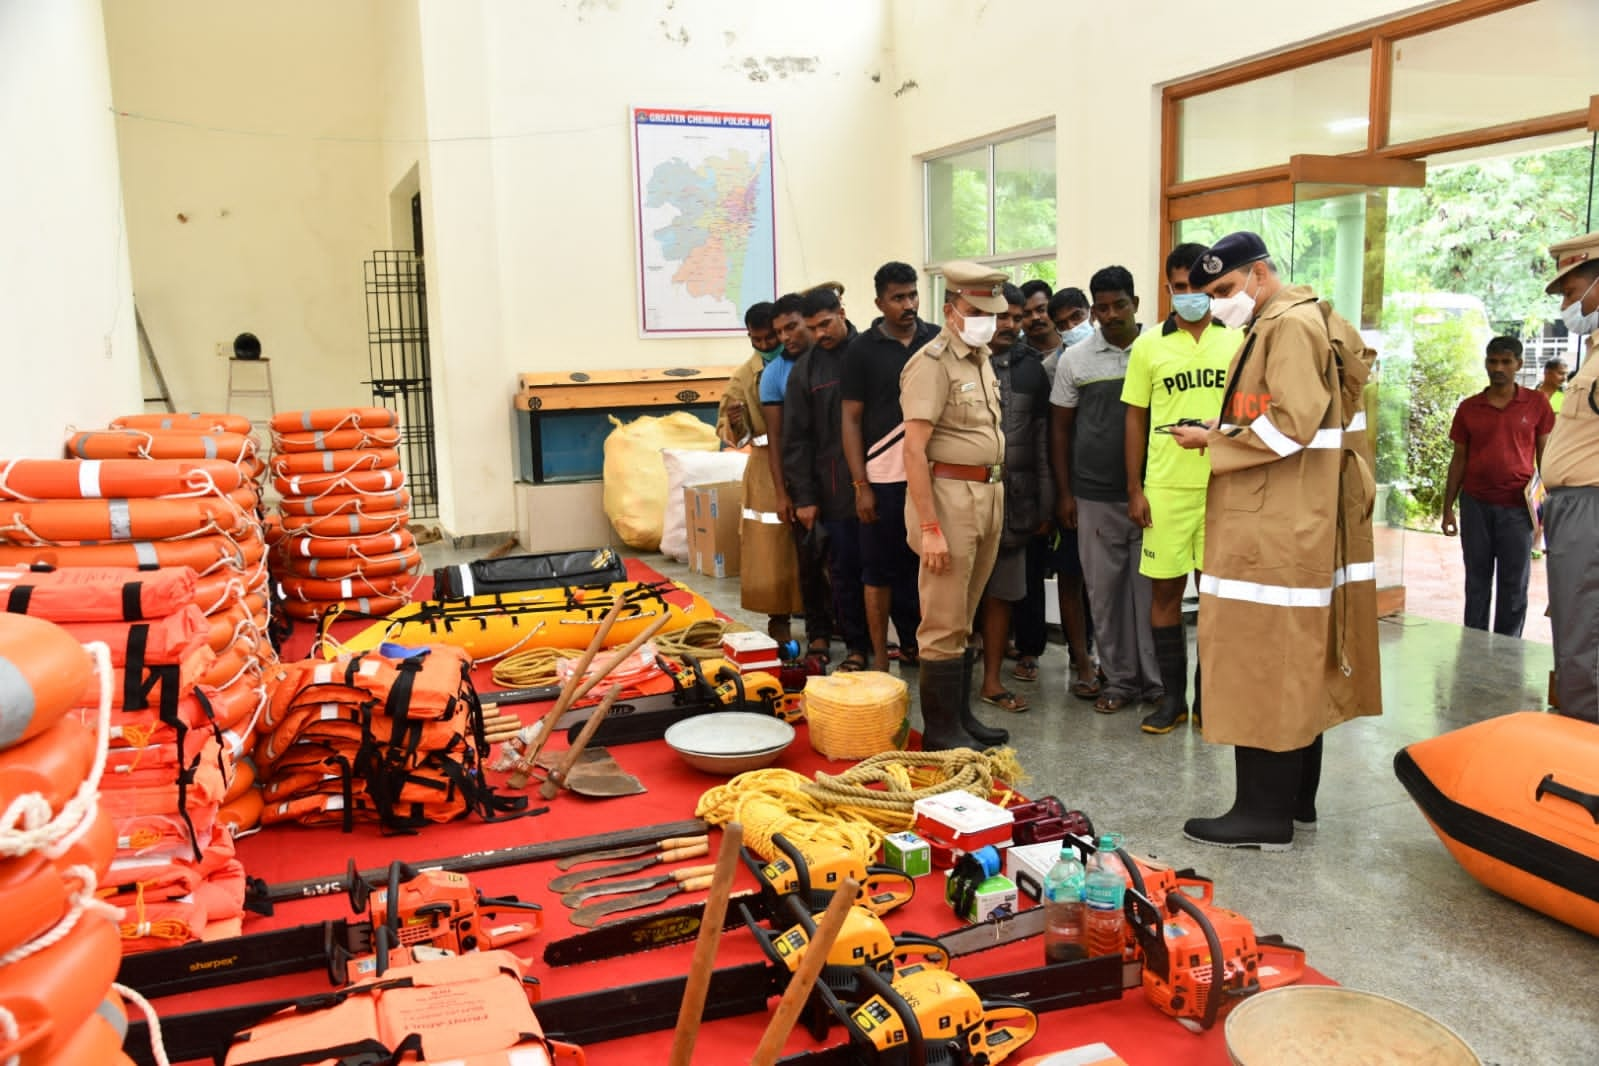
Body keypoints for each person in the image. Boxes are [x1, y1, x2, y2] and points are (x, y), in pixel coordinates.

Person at [1174, 230, 1381, 850]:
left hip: (1274, 524)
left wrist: (1213, 442)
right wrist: (1221, 424)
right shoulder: (1304, 318)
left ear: (1260, 275)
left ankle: (1261, 816)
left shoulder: (1286, 326)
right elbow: (1290, 413)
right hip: (1297, 518)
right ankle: (1295, 804)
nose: (1217, 303)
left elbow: (1290, 424)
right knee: (1296, 664)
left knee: (1262, 663)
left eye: (1225, 289)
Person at [1122, 243, 1243, 734]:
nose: (1190, 296)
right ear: (1168, 288)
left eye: (1199, 287)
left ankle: (1208, 699)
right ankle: (1172, 699)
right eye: (1180, 287)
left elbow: (1250, 413)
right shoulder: (1149, 344)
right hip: (1166, 488)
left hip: (1222, 486)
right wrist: (1135, 488)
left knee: (1214, 598)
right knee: (1166, 595)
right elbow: (1135, 418)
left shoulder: (1237, 341)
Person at [900, 260, 1012, 750]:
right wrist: (929, 526)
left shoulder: (980, 357)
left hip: (987, 494)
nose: (986, 317)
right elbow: (913, 449)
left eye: (991, 309)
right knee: (942, 619)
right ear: (950, 311)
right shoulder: (932, 362)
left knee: (963, 616)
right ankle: (941, 731)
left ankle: (961, 719)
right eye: (975, 309)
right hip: (947, 499)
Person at [1050, 266, 1160, 715]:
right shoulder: (1074, 360)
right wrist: (1065, 493)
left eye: (1120, 305)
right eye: (1103, 308)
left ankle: (1156, 685)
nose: (1111, 315)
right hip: (1093, 495)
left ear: (1137, 304)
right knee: (1105, 593)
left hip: (1156, 493)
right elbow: (1059, 432)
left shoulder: (1157, 350)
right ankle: (1118, 680)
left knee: (1150, 595)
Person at [841, 262, 934, 671]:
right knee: (878, 571)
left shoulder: (935, 340)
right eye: (898, 297)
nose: (908, 304)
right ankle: (880, 657)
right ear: (879, 302)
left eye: (912, 295)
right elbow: (851, 419)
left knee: (927, 568)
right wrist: (860, 483)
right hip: (882, 477)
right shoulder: (861, 349)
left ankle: (927, 649)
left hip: (931, 477)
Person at [1440, 335, 1554, 637]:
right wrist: (1447, 508)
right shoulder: (1469, 408)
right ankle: (1474, 649)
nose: (1498, 368)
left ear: (1518, 364)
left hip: (1518, 509)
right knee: (1476, 581)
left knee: (1514, 584)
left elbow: (1546, 459)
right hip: (1475, 505)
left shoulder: (1536, 404)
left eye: (1506, 362)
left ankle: (1508, 652)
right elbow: (1459, 460)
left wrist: (1545, 513)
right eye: (1493, 361)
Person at [784, 285, 872, 671]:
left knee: (890, 567)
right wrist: (804, 496)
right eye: (813, 328)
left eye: (825, 324)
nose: (820, 335)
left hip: (885, 479)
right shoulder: (806, 369)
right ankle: (856, 647)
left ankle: (907, 643)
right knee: (844, 572)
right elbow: (796, 439)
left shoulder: (871, 351)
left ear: (842, 311)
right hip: (835, 489)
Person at [975, 285, 1052, 713]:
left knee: (1003, 591)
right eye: (1001, 316)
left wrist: (1045, 502)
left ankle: (991, 681)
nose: (1009, 325)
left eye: (1015, 318)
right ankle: (952, 683)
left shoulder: (1031, 370)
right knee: (959, 596)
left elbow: (1042, 443)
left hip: (1015, 498)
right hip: (964, 499)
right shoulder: (954, 364)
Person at [717, 302, 803, 639]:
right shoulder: (743, 375)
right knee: (771, 548)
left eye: (771, 337)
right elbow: (725, 426)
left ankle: (826, 620)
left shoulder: (803, 363)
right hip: (766, 467)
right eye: (758, 340)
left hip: (806, 460)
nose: (766, 345)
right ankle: (778, 620)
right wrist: (736, 424)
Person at [1541, 231, 1599, 722]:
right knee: (1576, 634)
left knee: (1587, 642)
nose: (1567, 304)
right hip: (1575, 509)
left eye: (1571, 290)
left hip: (1592, 509)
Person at [763, 293, 833, 656]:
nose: (786, 337)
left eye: (792, 326)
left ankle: (860, 635)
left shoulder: (835, 358)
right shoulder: (774, 375)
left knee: (849, 563)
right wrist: (783, 493)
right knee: (810, 563)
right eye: (779, 332)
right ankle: (818, 635)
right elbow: (777, 441)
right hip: (802, 480)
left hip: (842, 477)